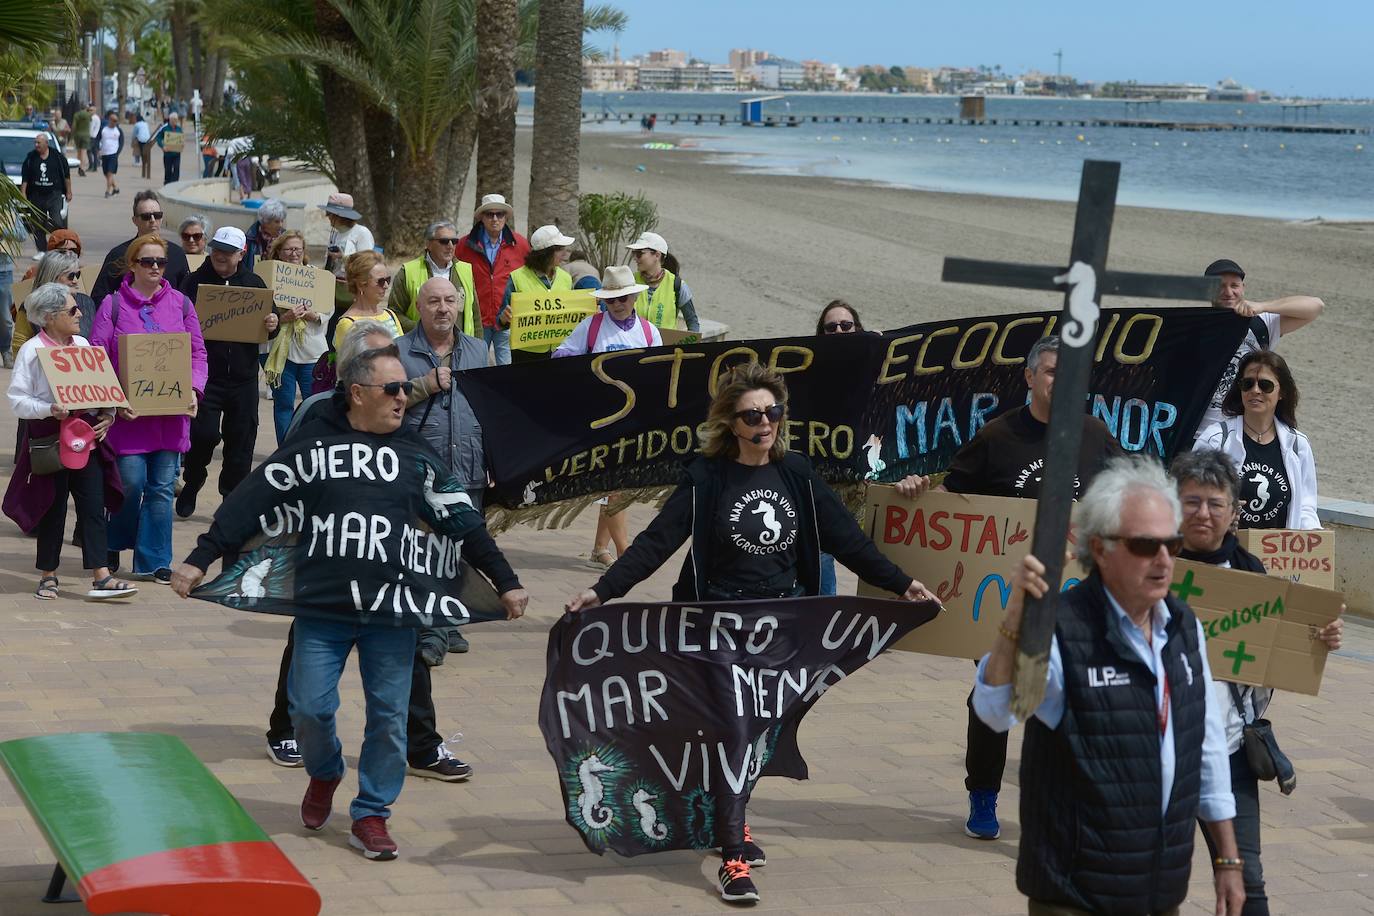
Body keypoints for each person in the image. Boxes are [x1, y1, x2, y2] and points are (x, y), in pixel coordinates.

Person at [563, 361, 936, 904]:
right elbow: (653, 544)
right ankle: (733, 855)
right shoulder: (707, 477)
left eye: (773, 411)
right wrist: (602, 591)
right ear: (731, 423)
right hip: (717, 625)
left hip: (782, 630)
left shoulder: (798, 475)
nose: (765, 422)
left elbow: (849, 542)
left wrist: (903, 585)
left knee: (759, 731)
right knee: (736, 731)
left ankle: (724, 819)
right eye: (752, 415)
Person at [171, 342, 529, 861]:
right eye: (393, 388)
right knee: (309, 710)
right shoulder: (314, 445)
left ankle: (371, 814)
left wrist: (506, 580)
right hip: (323, 608)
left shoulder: (417, 455)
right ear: (357, 393)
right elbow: (252, 500)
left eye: (406, 387)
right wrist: (200, 557)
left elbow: (465, 524)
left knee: (388, 719)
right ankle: (325, 772)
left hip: (392, 614)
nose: (404, 397)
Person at [973, 456, 1245, 916]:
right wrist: (1016, 621)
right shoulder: (1063, 628)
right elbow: (995, 711)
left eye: (1172, 545)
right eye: (1144, 546)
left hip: (1159, 891)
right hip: (1076, 893)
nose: (1163, 560)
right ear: (1099, 549)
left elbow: (1207, 746)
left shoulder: (1183, 626)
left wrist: (1228, 858)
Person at [908, 334, 1122, 842]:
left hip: (1074, 605)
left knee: (1068, 703)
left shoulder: (1095, 436)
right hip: (999, 601)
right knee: (994, 691)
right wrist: (915, 494)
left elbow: (1124, 500)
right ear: (1029, 378)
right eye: (1051, 372)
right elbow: (949, 504)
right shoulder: (998, 437)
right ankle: (983, 794)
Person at [1170, 448, 1342, 916]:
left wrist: (1316, 641)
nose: (1203, 513)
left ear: (1235, 513)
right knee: (1147, 884)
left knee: (1247, 884)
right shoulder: (1145, 569)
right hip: (1151, 755)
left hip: (1226, 754)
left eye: (1215, 503)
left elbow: (1273, 659)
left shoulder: (1255, 579)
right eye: (1191, 501)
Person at [395, 277, 490, 759]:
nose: (442, 308)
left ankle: (447, 622)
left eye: (450, 300)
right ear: (419, 305)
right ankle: (428, 632)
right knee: (422, 553)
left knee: (458, 553)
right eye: (433, 300)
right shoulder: (399, 350)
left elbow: (495, 412)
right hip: (417, 473)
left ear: (461, 305)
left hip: (469, 469)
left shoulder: (479, 351)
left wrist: (499, 468)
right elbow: (382, 401)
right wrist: (423, 385)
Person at [4, 283, 135, 600]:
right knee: (53, 505)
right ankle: (48, 574)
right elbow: (17, 400)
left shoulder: (82, 344)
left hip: (85, 437)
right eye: (72, 310)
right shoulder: (33, 351)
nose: (80, 314)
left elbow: (100, 391)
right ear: (49, 317)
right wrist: (48, 408)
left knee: (93, 503)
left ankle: (101, 574)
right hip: (50, 439)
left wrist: (109, 414)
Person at [89, 234, 208, 583]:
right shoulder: (112, 305)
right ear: (132, 265)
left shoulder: (182, 304)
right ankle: (114, 540)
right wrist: (113, 401)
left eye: (160, 262)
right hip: (128, 418)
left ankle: (155, 559)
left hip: (170, 418)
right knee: (131, 482)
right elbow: (98, 357)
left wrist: (195, 390)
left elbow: (197, 354)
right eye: (147, 261)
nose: (155, 267)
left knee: (160, 487)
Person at [175, 227, 277, 518]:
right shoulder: (193, 283)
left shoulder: (255, 284)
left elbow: (270, 326)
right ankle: (193, 481)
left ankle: (231, 498)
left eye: (228, 251)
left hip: (243, 379)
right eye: (217, 249)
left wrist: (273, 323)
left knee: (241, 440)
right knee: (202, 435)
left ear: (242, 254)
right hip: (206, 378)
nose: (220, 255)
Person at [1193, 350, 1318, 531]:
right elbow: (1194, 495)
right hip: (1228, 554)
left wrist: (1314, 540)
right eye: (1248, 384)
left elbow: (1306, 507)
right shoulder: (1216, 440)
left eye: (1265, 385)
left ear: (1281, 392)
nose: (1255, 391)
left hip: (1277, 555)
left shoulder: (1298, 445)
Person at [1196, 259, 1322, 438]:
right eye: (1220, 286)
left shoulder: (1261, 323)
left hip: (1245, 429)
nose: (1228, 292)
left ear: (1243, 288)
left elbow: (1315, 306)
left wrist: (1263, 306)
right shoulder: (1193, 326)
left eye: (1234, 285)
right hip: (1198, 430)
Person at [813, 299, 866, 594]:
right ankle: (822, 612)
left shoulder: (876, 367)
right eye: (831, 328)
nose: (839, 332)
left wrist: (878, 349)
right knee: (820, 549)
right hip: (824, 478)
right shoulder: (811, 373)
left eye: (846, 326)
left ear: (858, 328)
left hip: (867, 479)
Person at [264, 230, 328, 445]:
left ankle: (311, 447)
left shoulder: (316, 277)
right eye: (289, 249)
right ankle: (286, 449)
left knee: (313, 404)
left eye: (298, 249)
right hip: (281, 354)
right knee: (283, 404)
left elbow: (328, 311)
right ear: (279, 252)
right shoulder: (268, 279)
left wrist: (312, 315)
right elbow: (261, 315)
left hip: (312, 353)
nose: (294, 254)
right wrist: (285, 317)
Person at [454, 193, 528, 365]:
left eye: (499, 214)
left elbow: (529, 277)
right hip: (477, 319)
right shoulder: (464, 246)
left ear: (505, 217)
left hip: (508, 318)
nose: (495, 219)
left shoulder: (521, 245)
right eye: (489, 214)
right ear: (482, 217)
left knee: (507, 369)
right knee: (476, 366)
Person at [90, 190, 193, 304]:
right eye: (146, 216)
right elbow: (99, 297)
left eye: (157, 215)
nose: (153, 220)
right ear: (135, 221)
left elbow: (187, 298)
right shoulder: (118, 255)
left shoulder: (177, 254)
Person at [497, 224, 576, 362]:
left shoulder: (566, 278)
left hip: (558, 352)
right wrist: (504, 319)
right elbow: (502, 319)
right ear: (545, 253)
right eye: (559, 249)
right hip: (525, 355)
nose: (564, 253)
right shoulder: (517, 277)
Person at [389, 220, 477, 335]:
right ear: (428, 244)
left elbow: (475, 315)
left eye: (454, 241)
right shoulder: (408, 271)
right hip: (420, 346)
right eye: (444, 241)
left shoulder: (466, 270)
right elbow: (394, 313)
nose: (450, 246)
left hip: (460, 347)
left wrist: (478, 348)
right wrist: (422, 330)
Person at [12, 249, 97, 355]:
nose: (75, 280)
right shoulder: (31, 306)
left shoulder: (87, 302)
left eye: (78, 275)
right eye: (70, 276)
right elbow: (19, 346)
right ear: (53, 276)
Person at [626, 231, 701, 333]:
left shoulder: (677, 285)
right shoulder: (629, 282)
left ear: (657, 255)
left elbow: (692, 322)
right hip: (635, 346)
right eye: (634, 253)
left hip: (665, 347)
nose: (635, 258)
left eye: (639, 254)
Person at [333, 252, 403, 350]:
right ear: (361, 285)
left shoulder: (390, 315)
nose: (386, 286)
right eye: (381, 281)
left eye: (388, 279)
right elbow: (348, 363)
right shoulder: (348, 324)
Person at [20, 132, 71, 253]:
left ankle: (59, 248)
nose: (36, 145)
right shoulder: (31, 157)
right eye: (35, 143)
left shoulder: (57, 157)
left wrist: (69, 191)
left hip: (54, 194)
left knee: (57, 221)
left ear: (46, 143)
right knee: (37, 224)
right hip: (36, 195)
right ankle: (42, 251)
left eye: (39, 143)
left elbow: (67, 175)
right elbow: (25, 177)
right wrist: (23, 192)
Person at [320, 193, 374, 280]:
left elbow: (367, 262)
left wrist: (343, 257)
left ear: (340, 216)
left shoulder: (362, 232)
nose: (328, 217)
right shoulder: (334, 235)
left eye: (330, 213)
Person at [244, 197, 287, 272]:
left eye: (282, 221)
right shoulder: (250, 238)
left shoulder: (285, 237)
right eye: (277, 222)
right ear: (265, 222)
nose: (281, 225)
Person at [154, 111, 185, 184]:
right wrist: (162, 146)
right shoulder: (165, 128)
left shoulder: (179, 129)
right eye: (173, 120)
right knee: (168, 170)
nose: (175, 121)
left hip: (177, 153)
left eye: (176, 120)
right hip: (168, 153)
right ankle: (167, 184)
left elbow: (181, 139)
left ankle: (174, 184)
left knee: (176, 169)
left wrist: (182, 145)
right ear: (170, 119)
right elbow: (158, 138)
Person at [133, 112, 152, 178]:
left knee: (141, 151)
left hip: (141, 139)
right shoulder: (146, 123)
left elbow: (134, 134)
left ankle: (141, 162)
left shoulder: (137, 124)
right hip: (148, 138)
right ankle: (146, 161)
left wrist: (133, 140)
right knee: (146, 150)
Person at [83, 103, 99, 173]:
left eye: (91, 110)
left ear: (94, 111)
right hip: (94, 136)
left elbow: (90, 128)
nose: (89, 111)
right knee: (94, 152)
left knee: (89, 151)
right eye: (89, 110)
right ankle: (94, 166)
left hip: (91, 137)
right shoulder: (95, 117)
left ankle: (91, 166)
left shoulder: (93, 118)